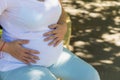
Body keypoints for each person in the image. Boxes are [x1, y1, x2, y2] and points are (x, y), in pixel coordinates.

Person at [0, 0, 100, 80]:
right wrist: (6, 47)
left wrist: (63, 25)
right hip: (18, 65)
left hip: (56, 57)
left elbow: (60, 10)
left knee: (91, 76)